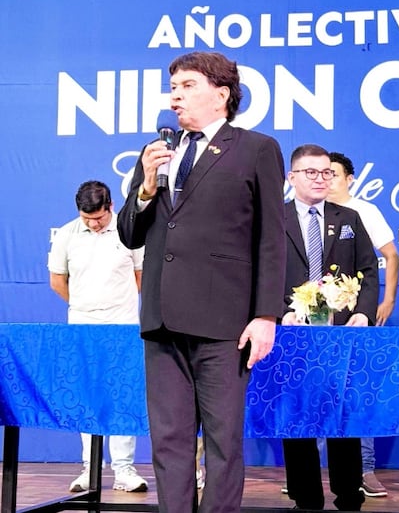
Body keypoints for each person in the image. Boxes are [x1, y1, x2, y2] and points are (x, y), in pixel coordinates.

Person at [117, 51, 286, 513]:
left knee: (222, 442)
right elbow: (130, 233)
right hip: (162, 320)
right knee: (169, 442)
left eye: (188, 85)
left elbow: (272, 237)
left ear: (222, 93)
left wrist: (266, 314)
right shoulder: (156, 151)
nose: (176, 96)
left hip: (224, 322)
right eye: (173, 86)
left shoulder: (256, 148)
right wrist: (147, 186)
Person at [281, 143, 379, 511]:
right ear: (292, 177)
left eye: (327, 172)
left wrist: (364, 314)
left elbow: (369, 271)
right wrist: (278, 314)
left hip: (342, 336)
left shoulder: (349, 218)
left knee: (342, 414)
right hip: (292, 334)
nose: (320, 179)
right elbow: (259, 274)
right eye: (311, 172)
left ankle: (349, 492)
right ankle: (305, 496)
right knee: (297, 414)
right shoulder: (274, 218)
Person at [48, 180, 149, 494]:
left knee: (121, 394)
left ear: (111, 208)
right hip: (82, 324)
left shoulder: (128, 231)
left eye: (99, 218)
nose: (93, 224)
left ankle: (124, 470)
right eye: (86, 218)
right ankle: (89, 469)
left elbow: (139, 275)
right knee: (87, 395)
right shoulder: (65, 235)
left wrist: (116, 307)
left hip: (123, 325)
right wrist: (85, 307)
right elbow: (57, 281)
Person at [327, 151, 399, 498]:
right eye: (321, 172)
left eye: (335, 173)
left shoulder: (364, 211)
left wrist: (384, 301)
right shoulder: (302, 210)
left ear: (349, 179)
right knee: (312, 393)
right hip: (311, 318)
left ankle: (364, 470)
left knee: (355, 394)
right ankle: (308, 473)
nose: (327, 179)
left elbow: (389, 255)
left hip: (354, 318)